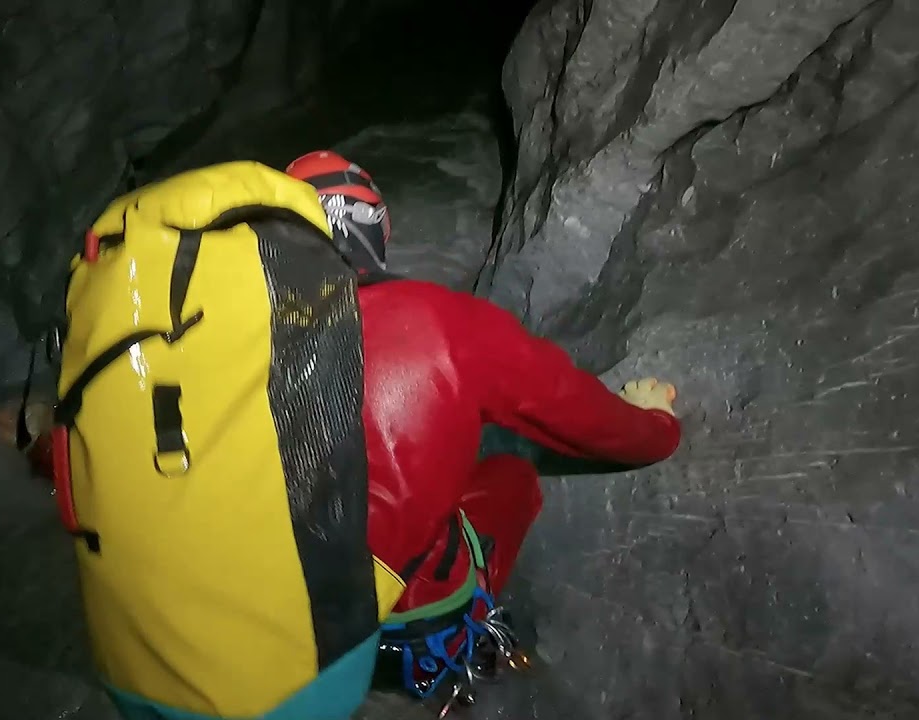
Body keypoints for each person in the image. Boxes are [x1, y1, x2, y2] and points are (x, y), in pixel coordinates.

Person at [283, 150, 682, 707]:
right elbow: (587, 420)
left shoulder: (225, 350)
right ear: (378, 230)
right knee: (511, 474)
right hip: (404, 620)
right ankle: (464, 634)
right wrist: (656, 424)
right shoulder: (442, 322)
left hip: (271, 624)